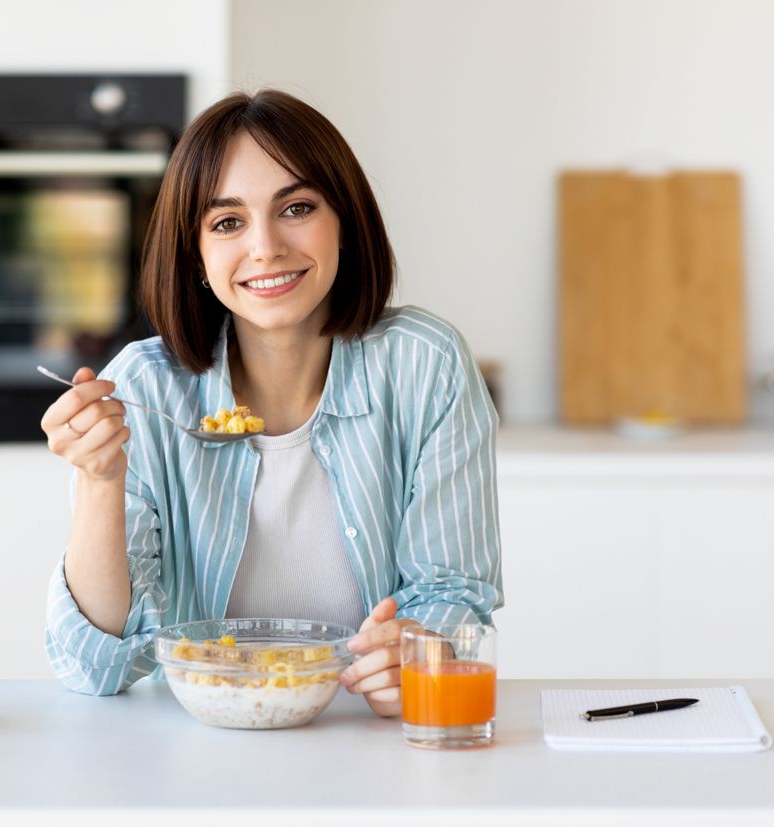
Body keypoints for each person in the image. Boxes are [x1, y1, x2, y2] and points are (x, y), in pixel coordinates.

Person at [41, 89, 502, 718]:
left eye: (297, 207)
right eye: (227, 222)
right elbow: (98, 668)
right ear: (196, 255)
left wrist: (420, 651)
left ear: (345, 221)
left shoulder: (425, 363)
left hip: (367, 736)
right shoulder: (146, 390)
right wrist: (99, 479)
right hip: (200, 740)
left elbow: (452, 591)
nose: (265, 248)